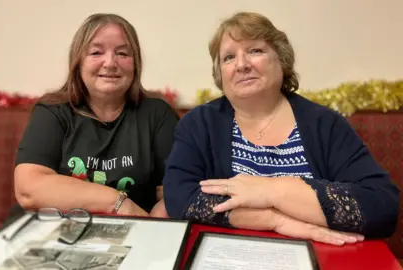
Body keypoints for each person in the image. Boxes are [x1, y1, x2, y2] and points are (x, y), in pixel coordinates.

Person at [163, 12, 399, 245]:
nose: (242, 65)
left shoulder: (325, 124)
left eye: (255, 50)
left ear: (281, 59)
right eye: (229, 58)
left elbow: (382, 206)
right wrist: (274, 219)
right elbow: (179, 198)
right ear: (220, 74)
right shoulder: (198, 123)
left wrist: (272, 191)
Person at [14, 13, 178, 218]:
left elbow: (176, 192)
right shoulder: (53, 111)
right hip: (57, 233)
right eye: (96, 52)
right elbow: (29, 189)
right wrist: (119, 204)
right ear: (78, 62)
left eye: (123, 53)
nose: (110, 63)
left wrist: (154, 228)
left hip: (133, 235)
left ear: (135, 64)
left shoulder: (157, 114)